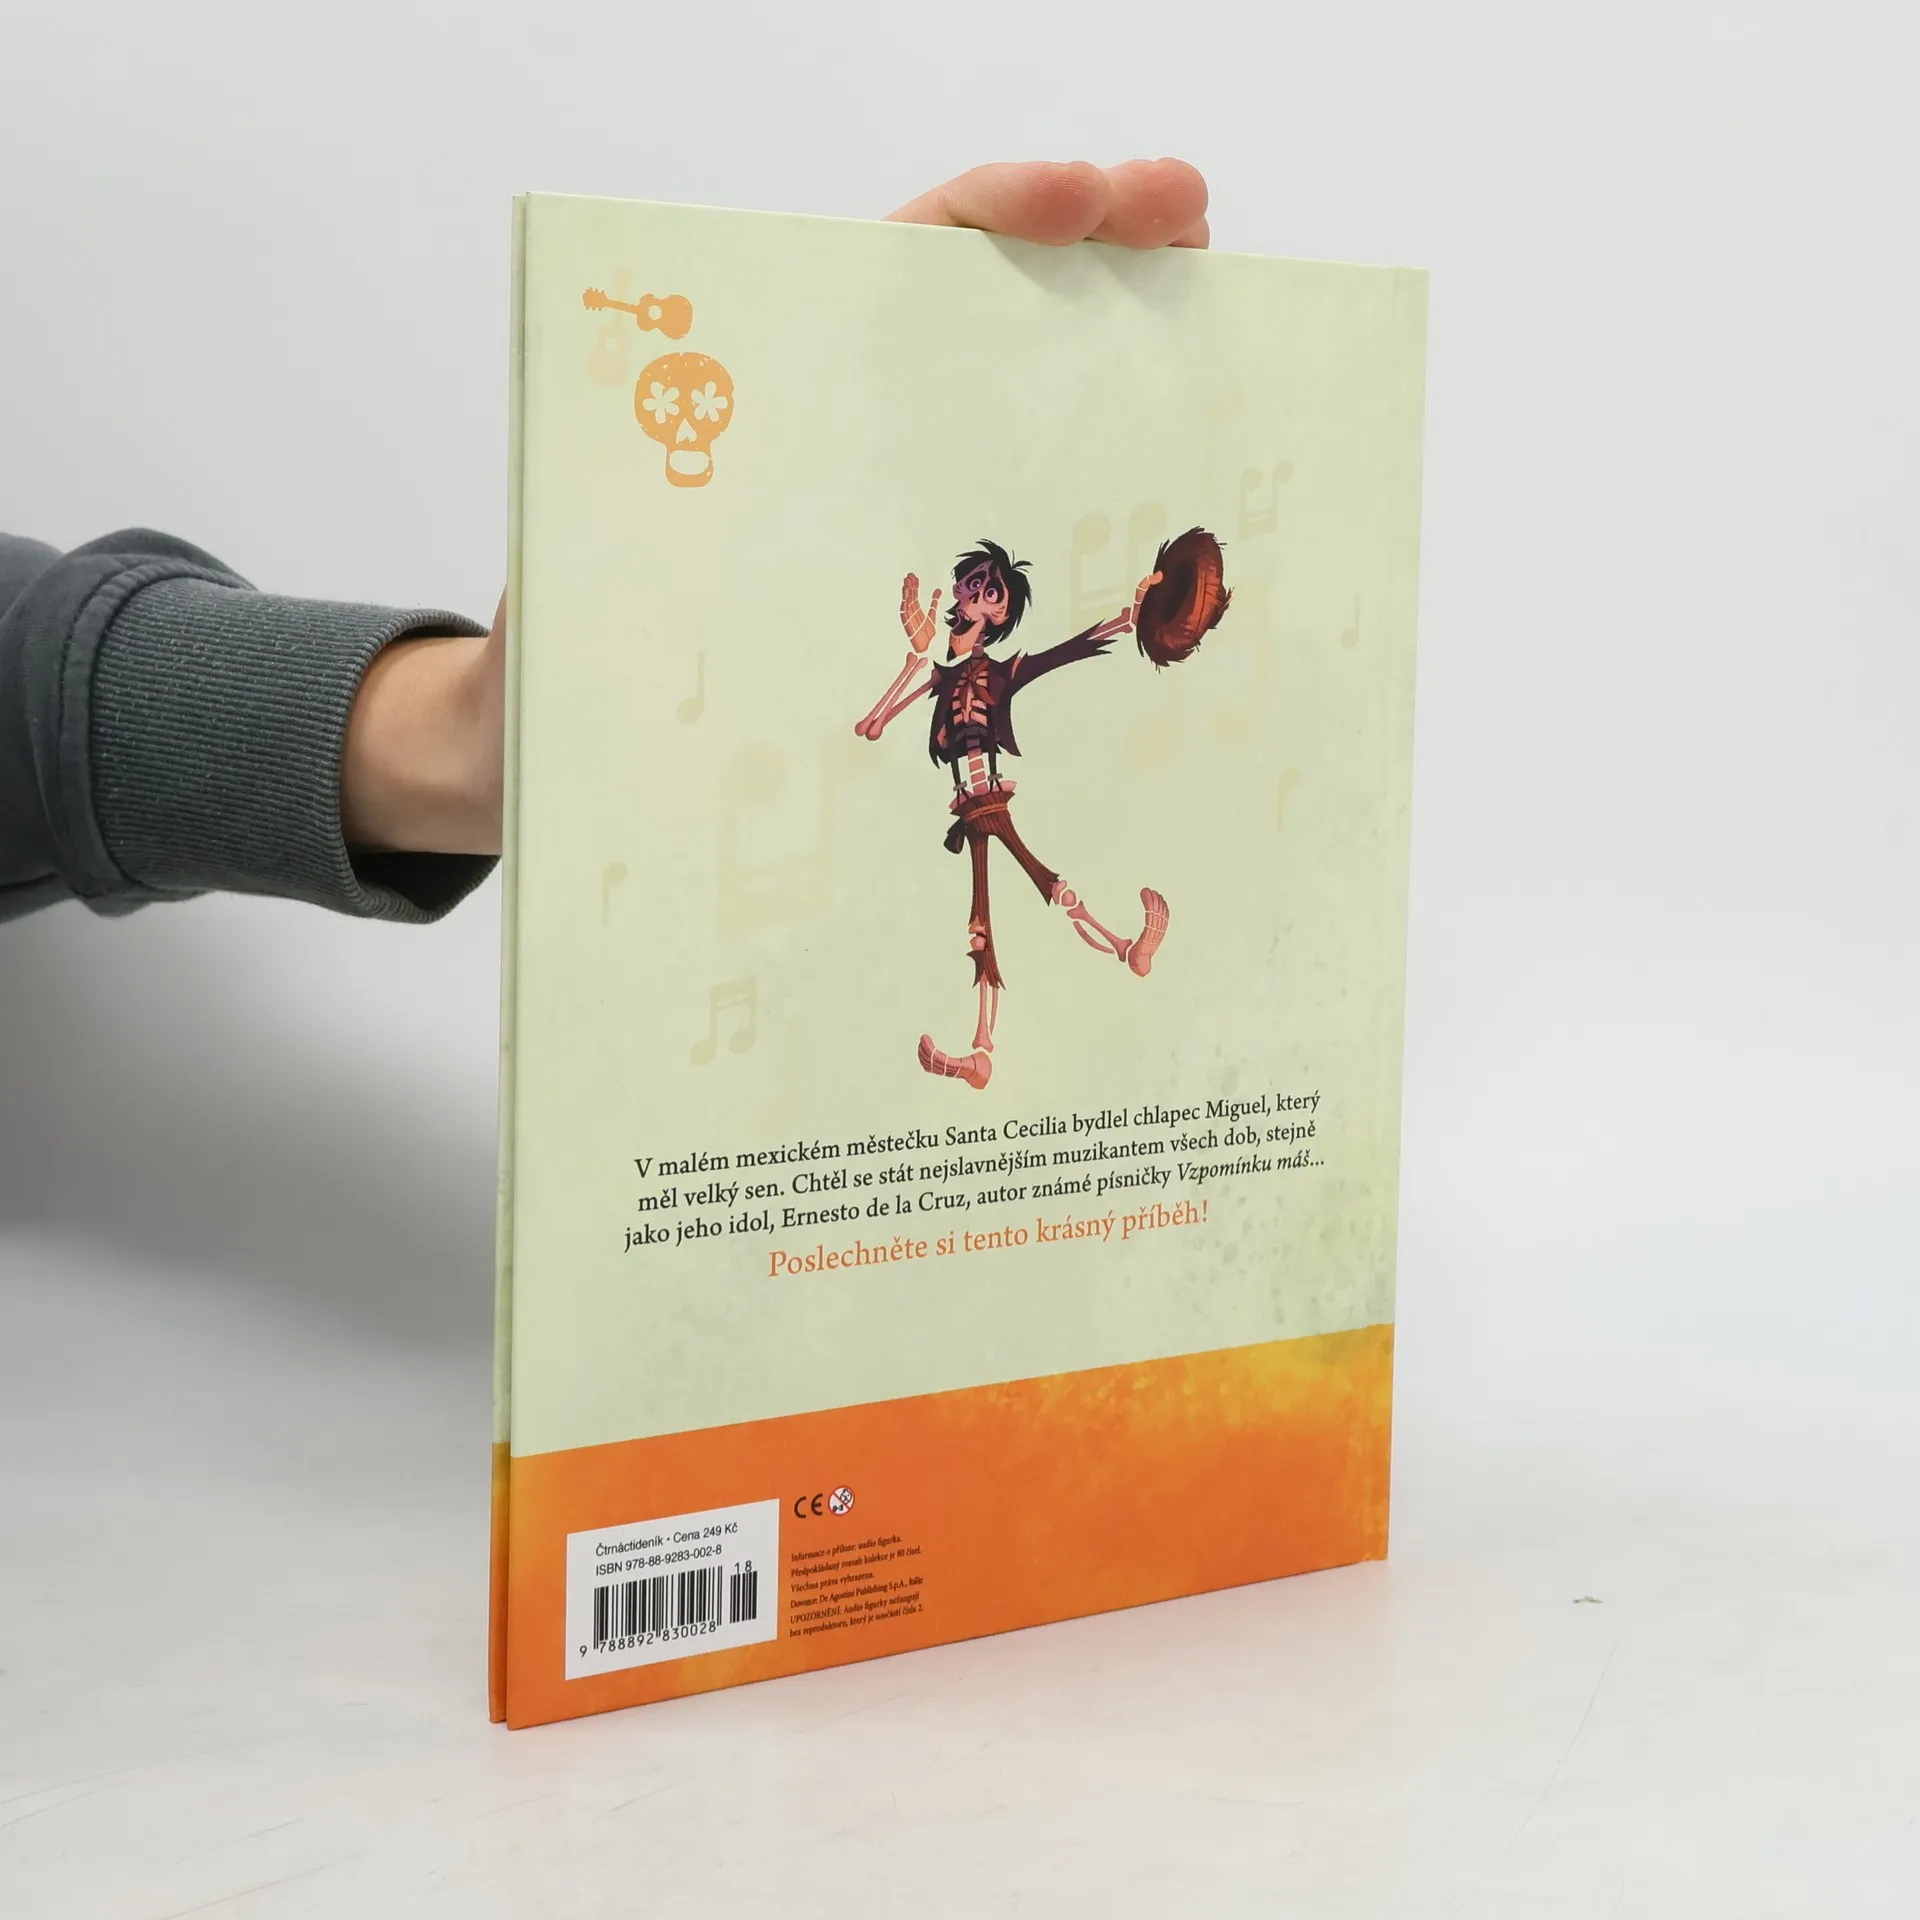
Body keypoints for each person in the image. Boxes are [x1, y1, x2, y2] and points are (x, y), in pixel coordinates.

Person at [0, 160, 1210, 929]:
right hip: (950, 798)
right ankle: (1090, 955)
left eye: (976, 599)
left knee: (1007, 889)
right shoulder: (950, 661)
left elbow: (30, 691)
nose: (964, 607)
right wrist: (899, 669)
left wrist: (470, 740)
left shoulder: (994, 663)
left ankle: (1106, 945)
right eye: (965, 595)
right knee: (994, 899)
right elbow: (897, 707)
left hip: (972, 794)